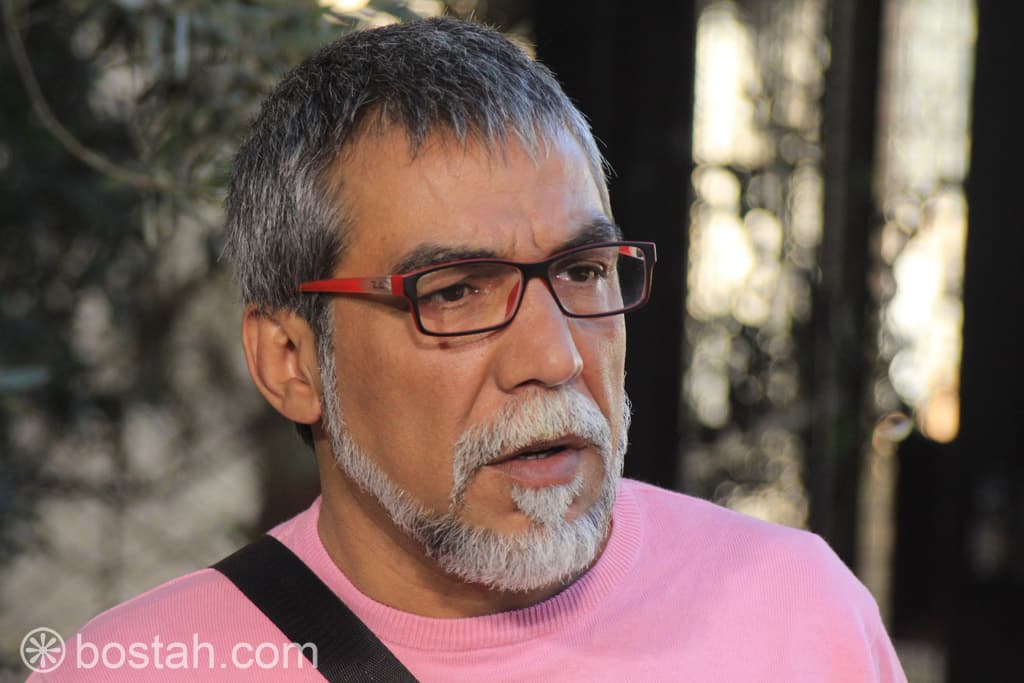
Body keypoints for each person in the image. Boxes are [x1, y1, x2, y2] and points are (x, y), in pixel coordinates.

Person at [32, 17, 906, 682]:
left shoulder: (800, 613)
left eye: (583, 271)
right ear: (291, 361)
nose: (554, 358)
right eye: (453, 292)